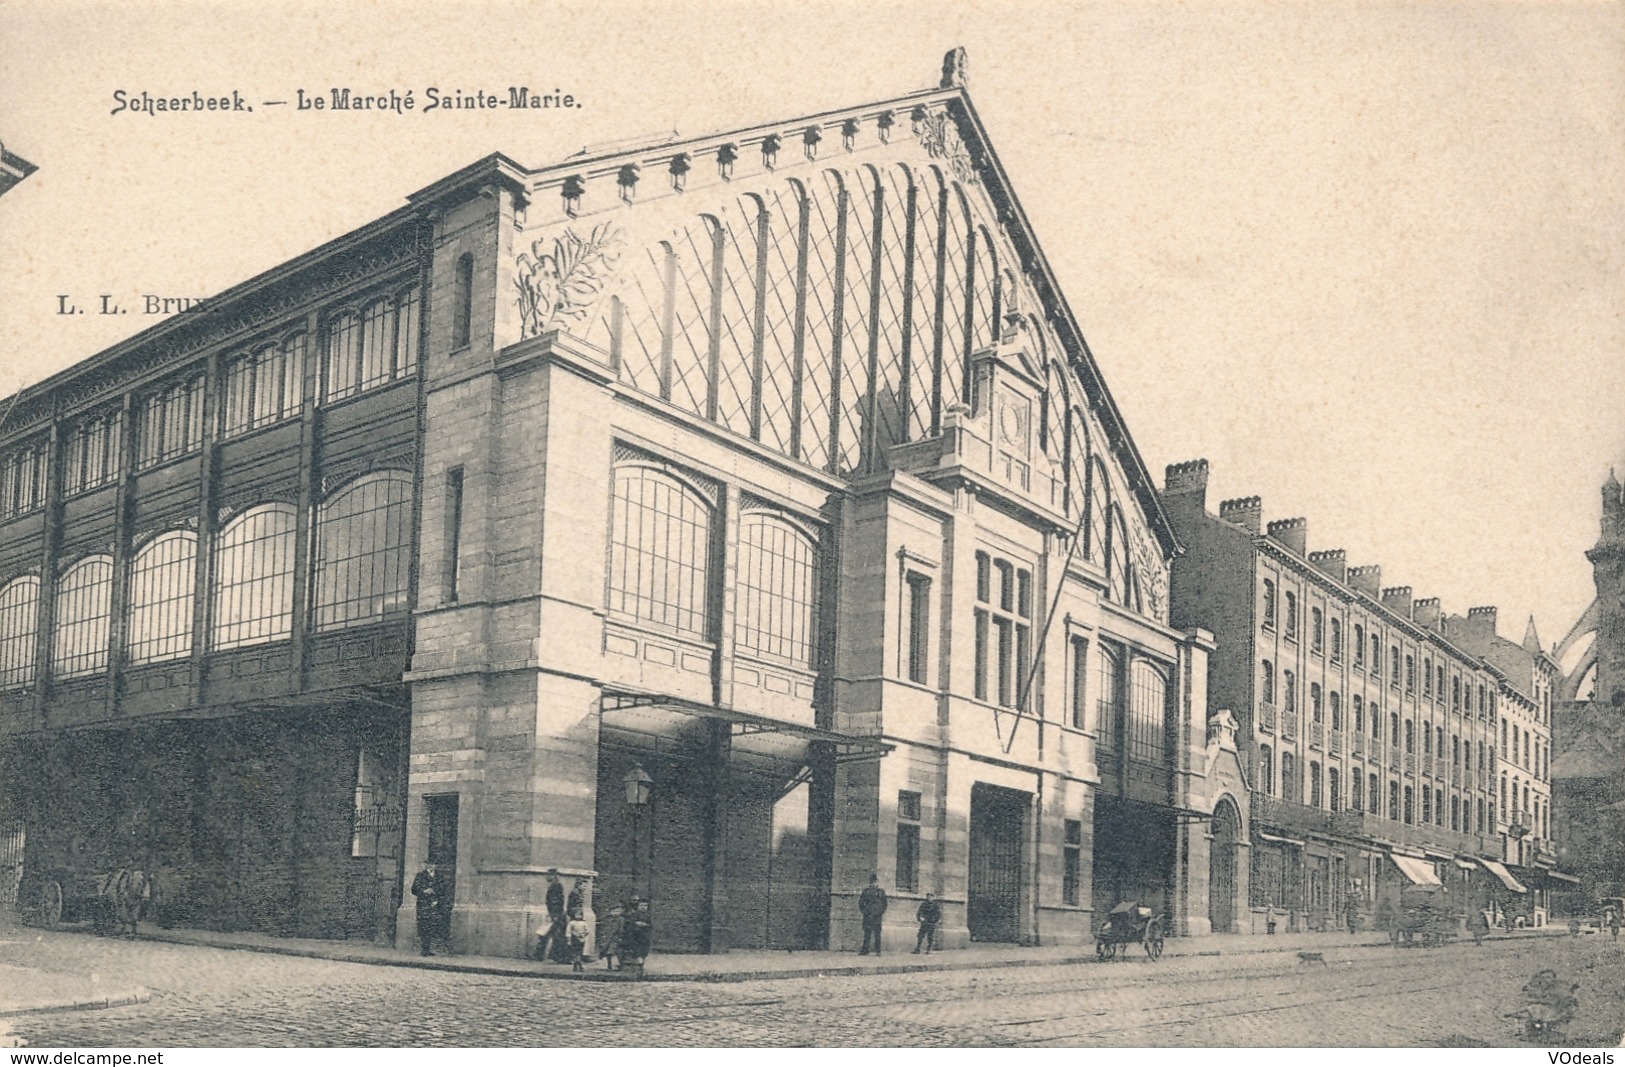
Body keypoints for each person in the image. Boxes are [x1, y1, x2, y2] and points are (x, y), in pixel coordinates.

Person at [410, 861, 441, 956]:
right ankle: (424, 948)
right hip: (423, 904)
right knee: (424, 925)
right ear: (427, 865)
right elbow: (414, 889)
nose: (432, 866)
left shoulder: (439, 876)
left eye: (434, 864)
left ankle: (428, 948)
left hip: (434, 904)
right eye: (430, 864)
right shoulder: (420, 876)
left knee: (432, 926)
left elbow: (443, 889)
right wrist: (424, 891)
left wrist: (437, 900)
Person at [537, 870, 566, 962]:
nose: (546, 877)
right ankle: (544, 955)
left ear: (553, 876)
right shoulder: (554, 886)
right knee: (548, 935)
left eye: (548, 875)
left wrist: (554, 915)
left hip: (555, 914)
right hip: (554, 914)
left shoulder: (556, 886)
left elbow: (557, 902)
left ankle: (554, 956)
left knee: (553, 936)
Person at [621, 897, 653, 974]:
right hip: (636, 935)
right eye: (641, 905)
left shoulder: (648, 915)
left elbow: (651, 925)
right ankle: (639, 963)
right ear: (638, 906)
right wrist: (636, 923)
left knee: (645, 948)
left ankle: (642, 961)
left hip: (645, 935)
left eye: (645, 906)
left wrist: (645, 924)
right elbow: (630, 924)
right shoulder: (634, 914)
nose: (643, 907)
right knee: (636, 948)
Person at [858, 874, 888, 956]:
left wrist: (879, 912)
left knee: (877, 934)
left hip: (877, 917)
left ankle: (878, 951)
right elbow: (861, 903)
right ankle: (865, 950)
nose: (873, 884)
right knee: (867, 934)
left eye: (874, 882)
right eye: (871, 882)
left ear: (877, 882)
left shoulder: (881, 892)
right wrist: (865, 912)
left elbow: (885, 904)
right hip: (868, 916)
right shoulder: (866, 891)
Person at [598, 904, 624, 971]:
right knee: (607, 952)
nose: (615, 913)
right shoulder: (608, 919)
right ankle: (609, 965)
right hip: (608, 938)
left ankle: (620, 965)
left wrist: (620, 936)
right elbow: (605, 928)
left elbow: (621, 929)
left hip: (615, 938)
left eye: (617, 911)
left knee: (615, 952)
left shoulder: (621, 919)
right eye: (614, 911)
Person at [566, 907, 592, 973]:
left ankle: (577, 963)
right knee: (575, 952)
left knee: (580, 952)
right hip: (574, 938)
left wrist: (584, 933)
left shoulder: (583, 923)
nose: (579, 916)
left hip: (582, 938)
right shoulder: (572, 923)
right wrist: (568, 939)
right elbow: (568, 931)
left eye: (580, 915)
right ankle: (577, 964)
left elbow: (588, 930)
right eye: (577, 915)